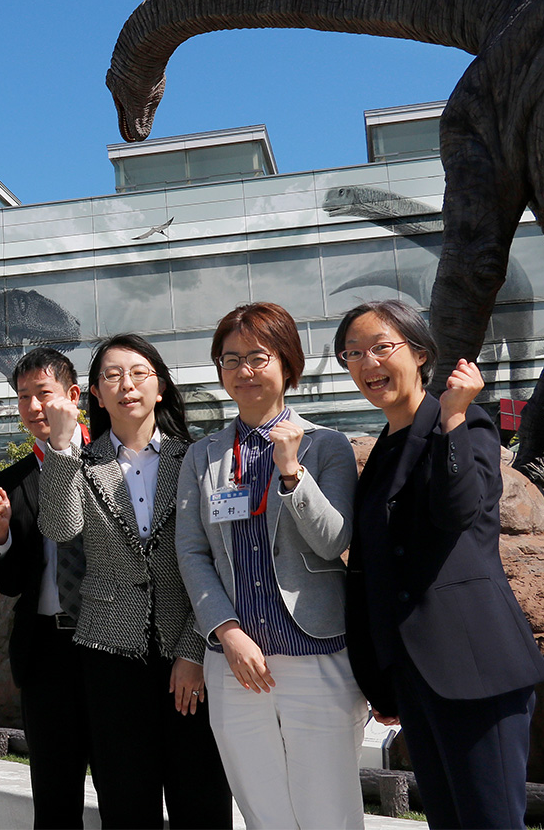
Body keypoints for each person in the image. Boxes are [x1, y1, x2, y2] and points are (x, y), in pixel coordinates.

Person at [336, 299, 544, 829]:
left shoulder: (467, 425)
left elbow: (457, 510)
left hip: (475, 667)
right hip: (415, 676)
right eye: (353, 353)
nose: (368, 364)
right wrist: (381, 672)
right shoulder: (385, 448)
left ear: (420, 353)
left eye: (382, 347)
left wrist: (453, 415)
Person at [175, 303, 366, 829]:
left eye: (257, 356)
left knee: (329, 809)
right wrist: (226, 631)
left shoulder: (327, 446)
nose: (244, 370)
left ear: (287, 363)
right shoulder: (203, 456)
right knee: (263, 810)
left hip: (315, 650)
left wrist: (291, 473)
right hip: (235, 661)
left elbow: (334, 541)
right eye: (230, 359)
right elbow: (192, 552)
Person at [36, 334, 231, 830]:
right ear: (95, 395)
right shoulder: (78, 464)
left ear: (160, 386)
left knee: (201, 797)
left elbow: (217, 562)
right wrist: (61, 446)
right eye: (112, 375)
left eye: (139, 373)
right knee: (126, 803)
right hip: (109, 654)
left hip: (189, 650)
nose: (127, 385)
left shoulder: (198, 459)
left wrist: (193, 649)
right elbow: (61, 529)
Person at [0, 347, 94, 829]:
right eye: (22, 396)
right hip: (45, 646)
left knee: (121, 777)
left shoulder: (112, 456)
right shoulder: (10, 479)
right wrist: (0, 534)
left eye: (42, 394)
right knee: (54, 787)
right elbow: (8, 581)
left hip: (113, 639)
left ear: (72, 395)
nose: (32, 407)